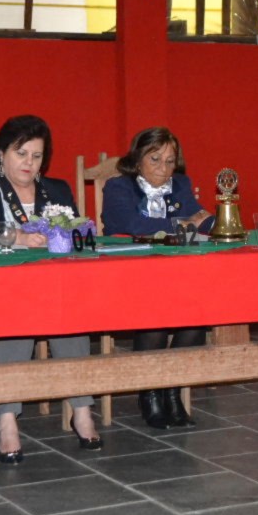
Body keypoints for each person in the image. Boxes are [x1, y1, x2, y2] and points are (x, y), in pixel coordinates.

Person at [0, 115, 101, 459]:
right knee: (16, 313)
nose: (29, 163)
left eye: (36, 156)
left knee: (72, 312)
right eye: (21, 154)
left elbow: (77, 231)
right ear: (1, 153)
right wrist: (15, 236)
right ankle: (7, 418)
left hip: (53, 284)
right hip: (2, 286)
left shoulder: (57, 189)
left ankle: (82, 409)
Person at [101, 127, 213, 429]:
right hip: (130, 274)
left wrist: (217, 219)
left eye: (170, 161)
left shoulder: (181, 184)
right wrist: (184, 222)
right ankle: (149, 392)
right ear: (138, 159)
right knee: (157, 310)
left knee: (198, 313)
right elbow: (131, 224)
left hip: (174, 273)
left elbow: (204, 220)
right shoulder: (118, 187)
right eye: (155, 159)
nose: (163, 168)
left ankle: (171, 390)